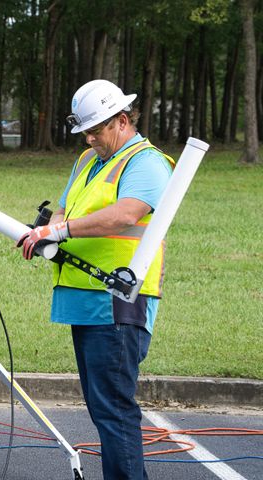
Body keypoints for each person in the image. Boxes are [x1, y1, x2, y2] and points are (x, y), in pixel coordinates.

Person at [17, 80, 175, 480]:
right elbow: (64, 211)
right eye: (85, 131)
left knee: (114, 411)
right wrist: (45, 231)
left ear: (122, 120)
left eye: (96, 129)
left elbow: (124, 214)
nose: (89, 138)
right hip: (86, 300)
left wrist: (58, 233)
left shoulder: (146, 161)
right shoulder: (89, 159)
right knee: (103, 407)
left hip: (119, 302)